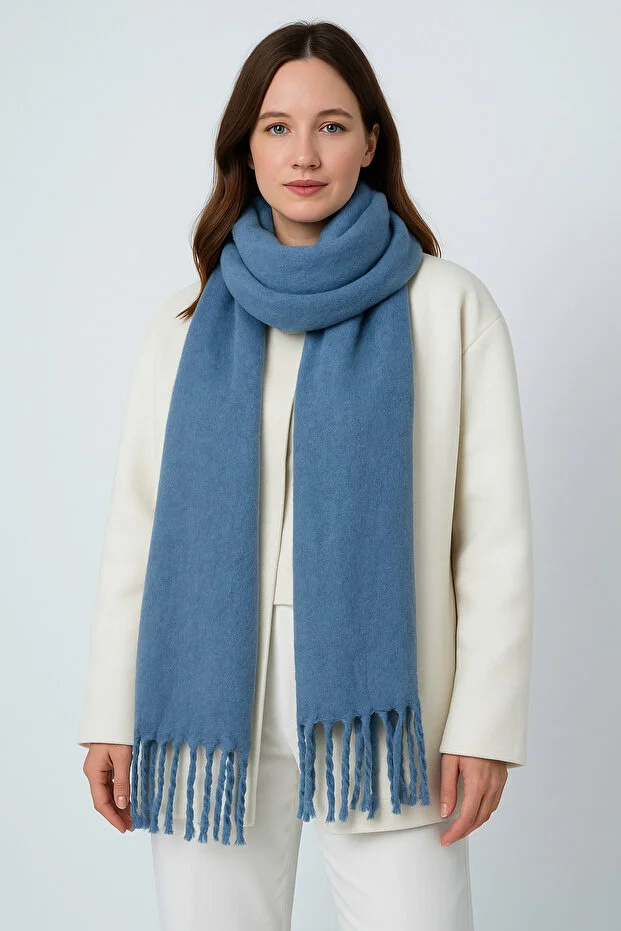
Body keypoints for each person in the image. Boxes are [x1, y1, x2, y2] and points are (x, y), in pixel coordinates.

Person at [78, 20, 534, 931]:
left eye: (331, 125)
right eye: (277, 127)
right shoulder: (183, 327)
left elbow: (492, 538)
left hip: (388, 712)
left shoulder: (445, 306)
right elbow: (138, 528)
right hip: (210, 710)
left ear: (370, 141)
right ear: (245, 148)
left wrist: (484, 725)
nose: (304, 154)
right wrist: (109, 713)